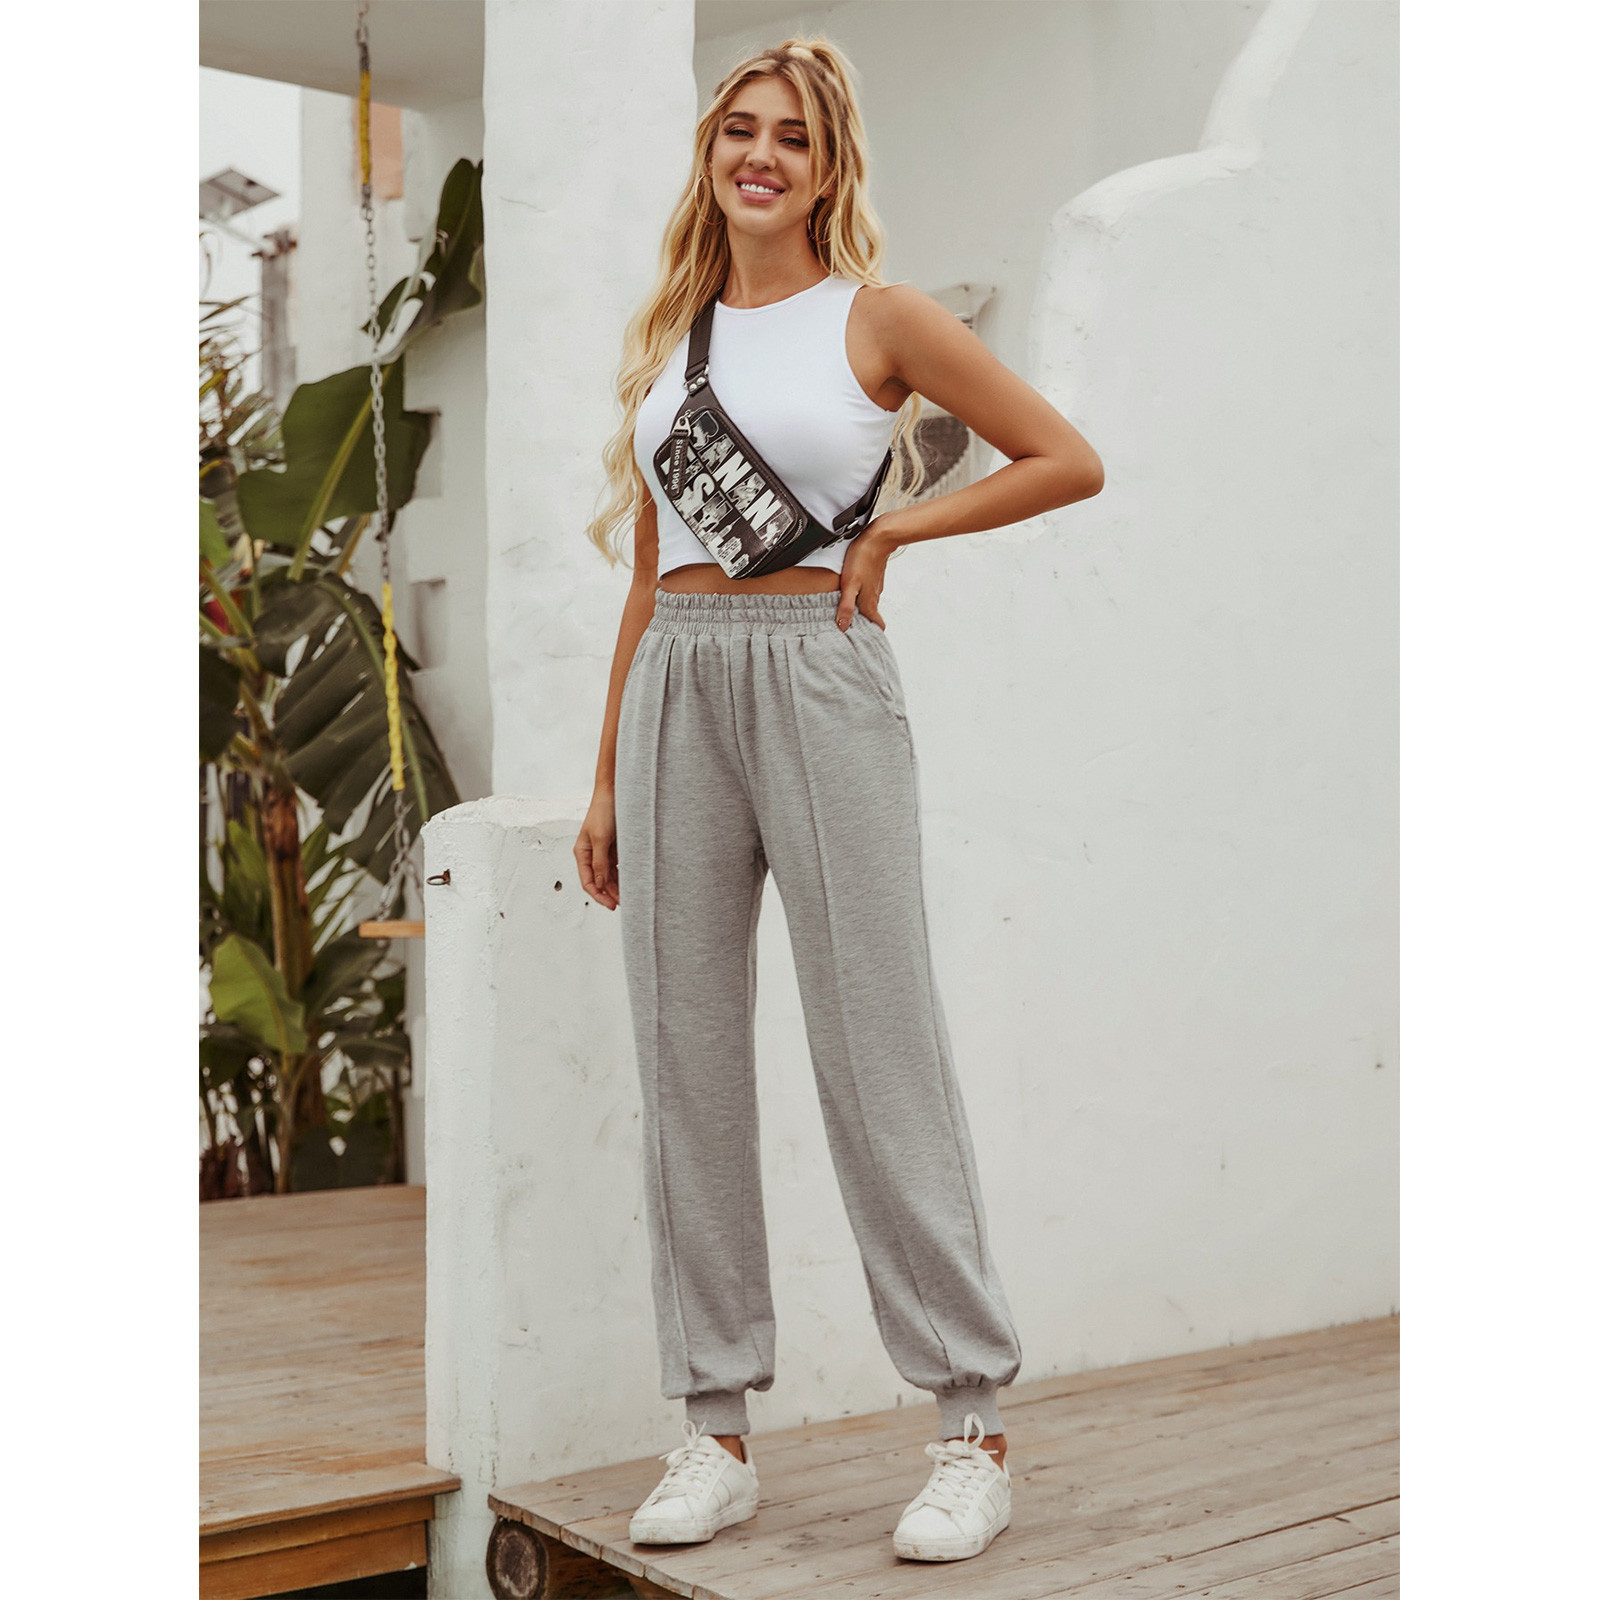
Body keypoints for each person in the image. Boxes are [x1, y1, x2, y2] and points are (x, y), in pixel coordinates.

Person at [575, 35, 1103, 1565]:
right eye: (739, 128)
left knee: (879, 1046)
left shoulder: (879, 317)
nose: (761, 155)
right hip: (677, 685)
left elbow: (1064, 457)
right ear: (712, 151)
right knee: (683, 1054)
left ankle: (970, 1424)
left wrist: (891, 537)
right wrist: (604, 777)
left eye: (792, 138)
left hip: (817, 667)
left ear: (826, 169)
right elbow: (647, 574)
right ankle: (714, 1426)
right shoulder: (675, 340)